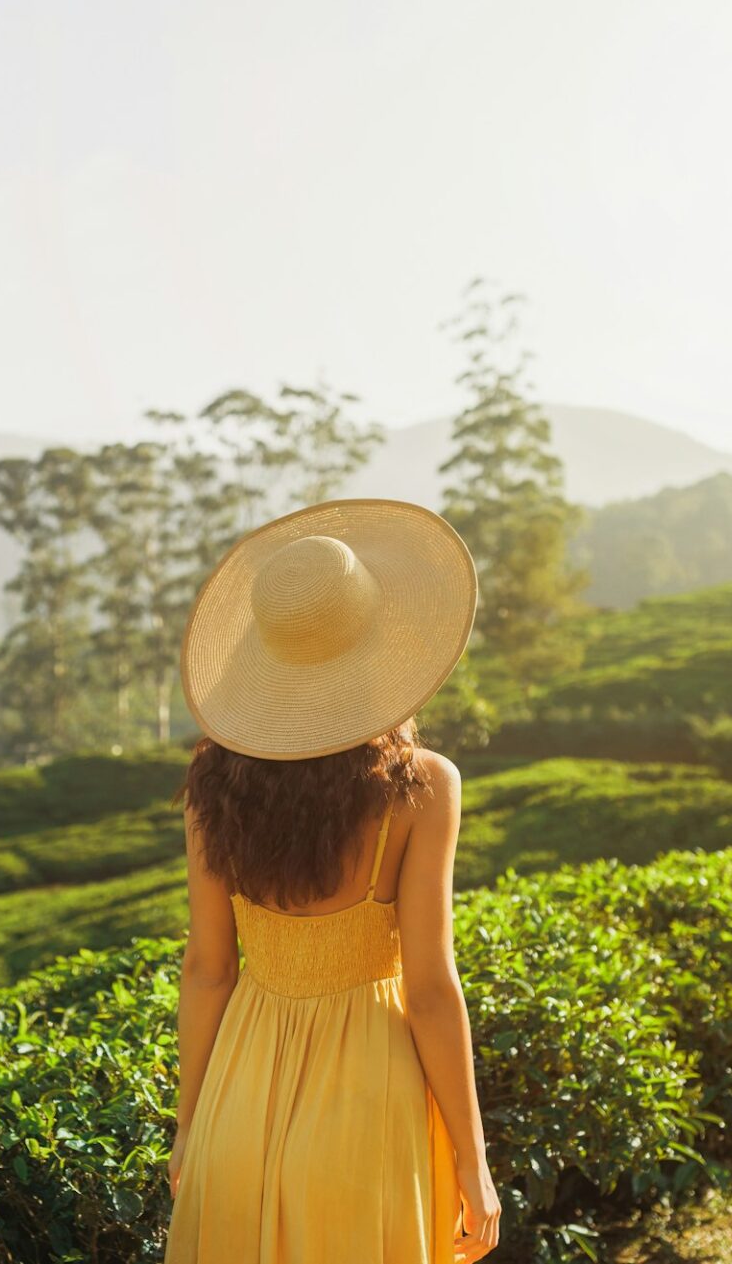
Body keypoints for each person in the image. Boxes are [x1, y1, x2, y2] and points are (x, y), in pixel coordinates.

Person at [163, 498, 502, 1263]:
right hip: (368, 1103)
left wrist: (190, 1125)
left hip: (240, 1099)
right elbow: (430, 989)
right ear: (385, 645)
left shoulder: (212, 788)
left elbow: (209, 970)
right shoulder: (421, 787)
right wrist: (474, 1160)